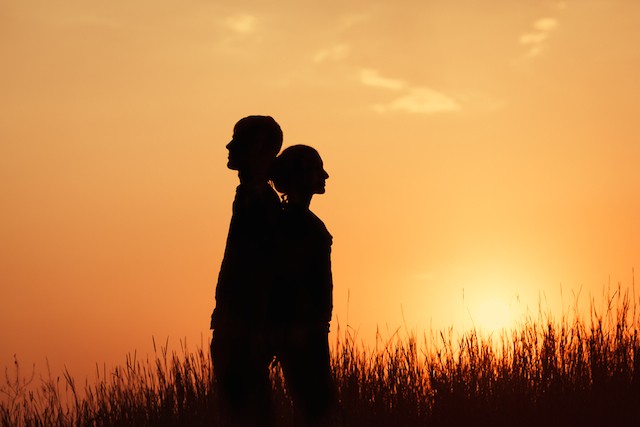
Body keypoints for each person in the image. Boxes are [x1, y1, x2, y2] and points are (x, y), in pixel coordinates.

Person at [210, 115, 282, 427]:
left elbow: (264, 271)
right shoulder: (250, 197)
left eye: (239, 140)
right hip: (235, 323)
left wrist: (256, 331)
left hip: (245, 328)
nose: (229, 146)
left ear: (262, 149)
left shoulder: (261, 201)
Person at [270, 145, 338, 426]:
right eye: (316, 169)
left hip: (308, 332)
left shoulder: (294, 221)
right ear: (301, 176)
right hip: (304, 334)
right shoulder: (297, 224)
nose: (325, 175)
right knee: (316, 410)